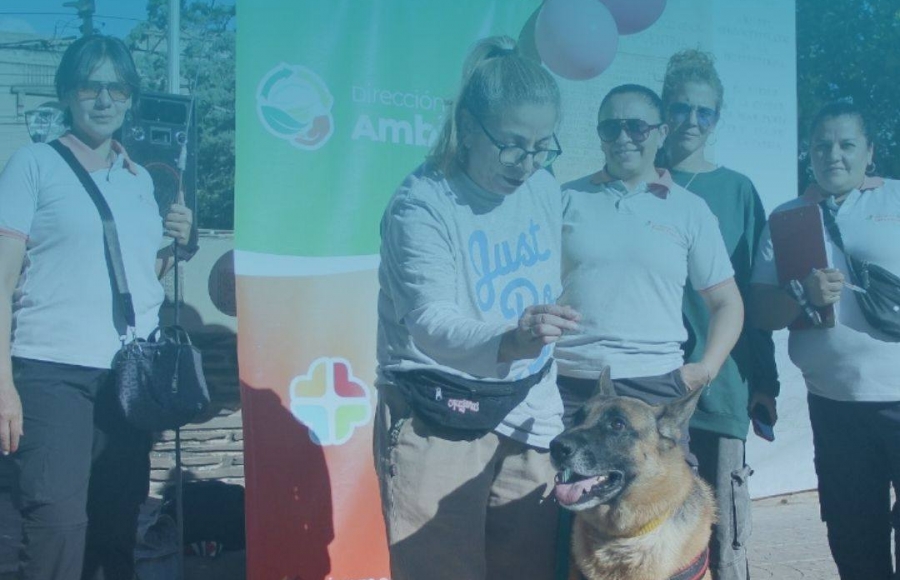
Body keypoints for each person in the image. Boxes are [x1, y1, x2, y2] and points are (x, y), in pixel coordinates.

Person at [373, 35, 580, 580]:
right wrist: (512, 340)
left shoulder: (543, 187)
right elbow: (430, 323)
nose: (527, 163)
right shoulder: (422, 204)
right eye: (512, 145)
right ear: (467, 128)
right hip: (440, 412)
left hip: (530, 412)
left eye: (542, 147)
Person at [0, 35, 195, 580]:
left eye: (118, 87)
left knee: (115, 524)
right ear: (68, 93)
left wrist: (171, 246)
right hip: (51, 373)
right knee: (56, 524)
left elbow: (132, 282)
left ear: (130, 98)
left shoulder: (140, 182)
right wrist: (2, 384)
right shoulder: (33, 164)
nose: (104, 99)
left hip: (125, 379)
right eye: (91, 85)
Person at [750, 101, 900, 580]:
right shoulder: (788, 218)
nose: (833, 154)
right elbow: (759, 312)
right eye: (821, 145)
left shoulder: (896, 201)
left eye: (846, 144)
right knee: (854, 538)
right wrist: (801, 296)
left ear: (869, 152)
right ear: (808, 153)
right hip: (834, 407)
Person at [555, 84, 744, 459]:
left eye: (636, 127)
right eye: (611, 128)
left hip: (655, 387)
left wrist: (703, 370)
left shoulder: (690, 209)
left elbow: (727, 303)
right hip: (573, 386)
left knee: (657, 513)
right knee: (566, 507)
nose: (623, 138)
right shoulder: (565, 199)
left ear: (660, 132)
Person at [660, 49, 780, 580]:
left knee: (722, 534)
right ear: (664, 109)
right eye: (680, 108)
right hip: (651, 389)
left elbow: (751, 300)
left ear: (717, 117)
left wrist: (765, 382)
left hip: (721, 388)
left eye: (703, 112)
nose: (691, 121)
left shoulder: (738, 191)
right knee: (653, 530)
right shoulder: (640, 180)